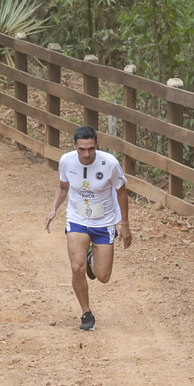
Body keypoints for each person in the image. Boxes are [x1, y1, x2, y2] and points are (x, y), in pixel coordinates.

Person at [43, 125, 132, 331]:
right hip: (77, 219)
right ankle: (86, 313)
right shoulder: (66, 161)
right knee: (76, 267)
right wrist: (53, 209)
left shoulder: (110, 163)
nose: (86, 154)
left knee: (103, 276)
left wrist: (125, 225)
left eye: (91, 149)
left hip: (104, 221)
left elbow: (122, 193)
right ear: (74, 146)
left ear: (96, 146)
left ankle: (92, 257)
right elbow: (63, 187)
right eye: (82, 149)